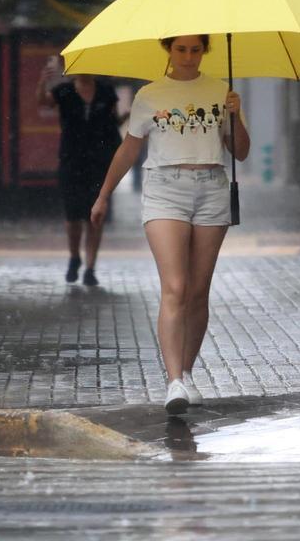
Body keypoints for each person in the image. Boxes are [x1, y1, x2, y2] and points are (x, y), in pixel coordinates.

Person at [90, 35, 250, 414]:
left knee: (198, 290)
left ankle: (188, 373)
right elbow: (129, 148)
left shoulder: (222, 90)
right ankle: (174, 380)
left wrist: (234, 115)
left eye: (196, 50)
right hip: (165, 189)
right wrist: (103, 194)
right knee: (175, 286)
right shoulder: (149, 95)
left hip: (212, 188)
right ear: (169, 50)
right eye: (181, 49)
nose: (189, 57)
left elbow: (239, 150)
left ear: (205, 51)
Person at [37, 57, 123, 285]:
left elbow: (113, 123)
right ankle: (74, 256)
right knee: (73, 216)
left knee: (95, 216)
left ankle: (91, 267)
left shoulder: (106, 91)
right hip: (71, 160)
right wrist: (42, 83)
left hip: (99, 162)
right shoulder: (63, 91)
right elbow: (43, 103)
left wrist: (132, 116)